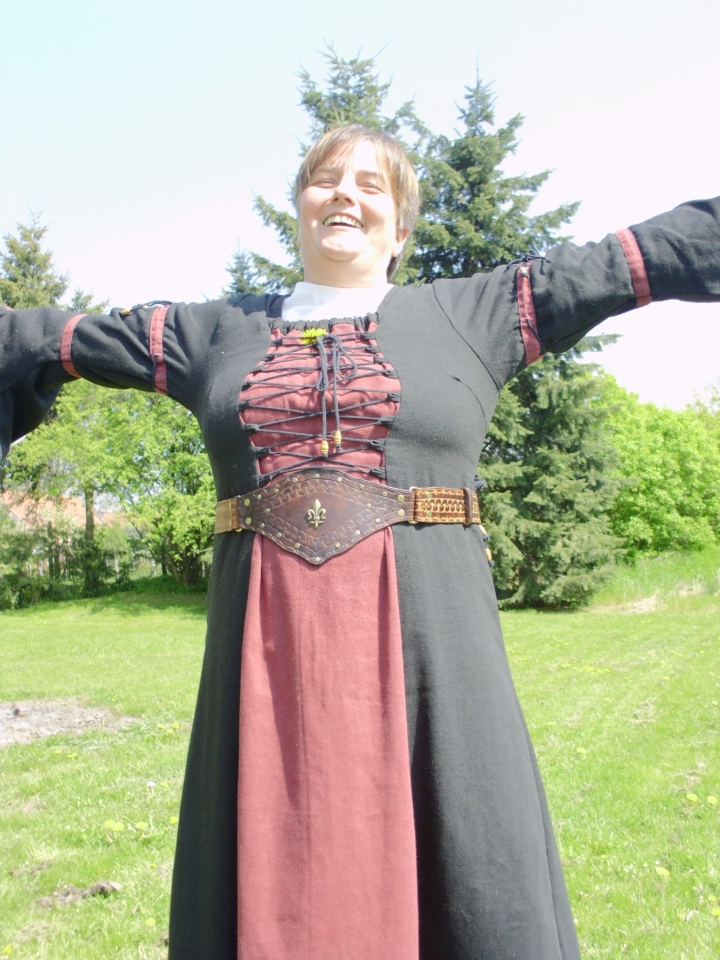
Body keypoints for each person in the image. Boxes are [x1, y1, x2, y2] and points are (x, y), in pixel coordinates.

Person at [1, 123, 719, 960]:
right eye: (326, 179)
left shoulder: (474, 311)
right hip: (263, 663)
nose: (345, 192)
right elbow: (44, 337)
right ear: (299, 208)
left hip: (434, 656)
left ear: (401, 227)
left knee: (470, 872)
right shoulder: (213, 332)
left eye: (372, 184)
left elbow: (632, 258)